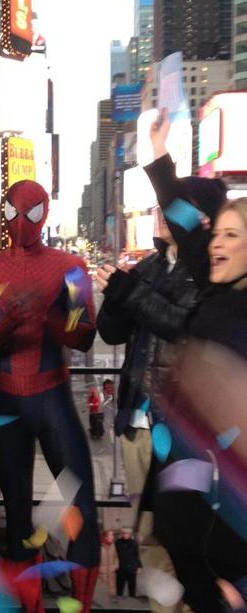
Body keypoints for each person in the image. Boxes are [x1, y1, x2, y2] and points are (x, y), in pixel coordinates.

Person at [0, 180, 100, 613]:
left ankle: (75, 603)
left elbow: (84, 337)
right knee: (17, 511)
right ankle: (31, 604)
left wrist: (47, 319)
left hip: (51, 398)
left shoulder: (71, 265)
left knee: (79, 502)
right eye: (13, 214)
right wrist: (8, 323)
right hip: (11, 401)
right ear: (2, 212)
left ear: (45, 213)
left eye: (31, 213)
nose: (21, 223)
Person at [142, 108, 247, 612]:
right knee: (187, 561)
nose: (218, 244)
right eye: (218, 233)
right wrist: (160, 155)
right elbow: (187, 229)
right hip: (190, 477)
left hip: (231, 500)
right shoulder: (213, 285)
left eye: (233, 235)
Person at [95, 210, 198, 613]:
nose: (161, 214)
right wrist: (114, 297)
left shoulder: (204, 270)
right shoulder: (149, 266)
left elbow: (179, 324)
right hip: (138, 419)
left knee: (188, 535)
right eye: (158, 206)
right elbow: (111, 333)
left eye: (172, 206)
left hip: (184, 425)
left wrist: (128, 291)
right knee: (149, 532)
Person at [115, 527, 141, 598]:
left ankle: (132, 602)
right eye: (124, 533)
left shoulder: (134, 543)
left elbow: (137, 555)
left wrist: (139, 567)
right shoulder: (117, 543)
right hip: (120, 568)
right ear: (121, 534)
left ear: (130, 534)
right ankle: (118, 603)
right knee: (119, 589)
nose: (125, 535)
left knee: (132, 588)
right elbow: (114, 555)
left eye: (127, 533)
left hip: (131, 569)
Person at [99, 529, 119, 598]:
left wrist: (116, 566)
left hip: (112, 571)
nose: (113, 537)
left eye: (112, 535)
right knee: (102, 593)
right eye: (111, 535)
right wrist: (99, 569)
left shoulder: (113, 545)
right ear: (105, 537)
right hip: (102, 573)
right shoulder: (99, 547)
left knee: (112, 590)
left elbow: (116, 557)